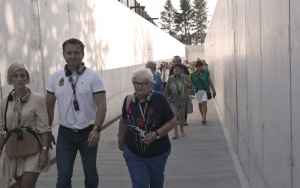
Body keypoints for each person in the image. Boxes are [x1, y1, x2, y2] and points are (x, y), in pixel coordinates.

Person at [45, 38, 107, 188]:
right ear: (63, 54)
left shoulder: (93, 76)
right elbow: (49, 105)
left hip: (88, 133)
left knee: (90, 173)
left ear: (82, 54)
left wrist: (96, 130)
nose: (72, 56)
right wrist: (47, 130)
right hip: (65, 135)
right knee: (63, 176)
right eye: (69, 53)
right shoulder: (55, 76)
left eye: (76, 53)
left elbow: (102, 106)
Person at [118, 69, 176, 188]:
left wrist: (156, 134)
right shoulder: (128, 100)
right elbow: (123, 122)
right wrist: (121, 140)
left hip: (158, 152)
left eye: (144, 83)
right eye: (136, 83)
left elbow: (172, 121)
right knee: (139, 184)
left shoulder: (159, 99)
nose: (139, 87)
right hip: (134, 152)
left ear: (150, 84)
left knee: (156, 182)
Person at [0, 62, 51, 187]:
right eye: (15, 76)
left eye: (22, 76)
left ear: (27, 78)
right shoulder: (5, 102)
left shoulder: (37, 99)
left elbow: (44, 127)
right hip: (14, 150)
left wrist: (44, 150)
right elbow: (2, 130)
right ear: (10, 78)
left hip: (34, 149)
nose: (19, 79)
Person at [164, 64, 192, 139]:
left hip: (183, 100)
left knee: (182, 116)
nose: (176, 69)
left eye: (178, 68)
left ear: (181, 70)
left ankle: (182, 130)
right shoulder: (170, 79)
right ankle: (175, 131)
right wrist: (167, 99)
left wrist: (188, 84)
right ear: (173, 70)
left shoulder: (185, 77)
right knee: (175, 116)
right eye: (175, 68)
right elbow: (166, 90)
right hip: (173, 101)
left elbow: (191, 86)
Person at [190, 60, 216, 124]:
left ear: (202, 66)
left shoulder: (206, 73)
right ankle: (202, 116)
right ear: (195, 67)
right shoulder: (192, 75)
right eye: (197, 67)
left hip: (205, 90)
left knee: (204, 103)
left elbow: (210, 82)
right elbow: (191, 83)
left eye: (200, 66)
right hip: (197, 90)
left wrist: (213, 90)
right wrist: (189, 89)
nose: (199, 68)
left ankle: (204, 117)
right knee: (200, 104)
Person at [169, 56, 190, 126]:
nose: (177, 62)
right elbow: (169, 78)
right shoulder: (171, 69)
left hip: (184, 89)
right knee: (175, 106)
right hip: (174, 90)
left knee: (184, 106)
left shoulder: (184, 67)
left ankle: (184, 120)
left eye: (178, 61)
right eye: (175, 61)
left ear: (180, 61)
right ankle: (178, 120)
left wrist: (189, 87)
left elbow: (188, 76)